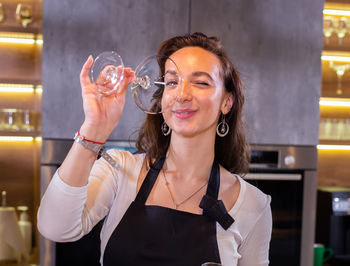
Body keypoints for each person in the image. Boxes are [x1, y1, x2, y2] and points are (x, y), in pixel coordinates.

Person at [38, 32, 272, 266]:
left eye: (200, 82)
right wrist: (95, 127)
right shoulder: (121, 169)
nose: (181, 95)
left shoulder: (253, 205)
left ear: (226, 102)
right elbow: (56, 227)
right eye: (172, 82)